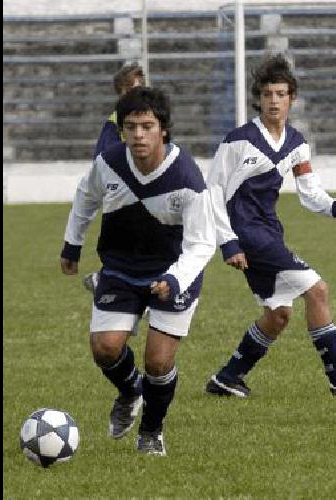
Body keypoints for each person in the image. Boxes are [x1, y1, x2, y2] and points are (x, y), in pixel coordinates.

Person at [202, 54, 336, 398]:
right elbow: (212, 193)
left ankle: (227, 378)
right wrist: (228, 243)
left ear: (292, 98)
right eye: (268, 94)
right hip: (247, 235)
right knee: (318, 290)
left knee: (279, 314)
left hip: (269, 231)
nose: (274, 101)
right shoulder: (238, 141)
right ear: (259, 98)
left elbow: (310, 192)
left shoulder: (296, 144)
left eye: (281, 94)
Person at [60, 86, 215, 456]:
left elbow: (201, 244)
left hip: (173, 273)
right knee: (104, 348)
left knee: (158, 360)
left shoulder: (188, 179)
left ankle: (151, 431)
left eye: (147, 126)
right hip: (121, 267)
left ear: (163, 129)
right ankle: (131, 391)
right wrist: (72, 244)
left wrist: (175, 279)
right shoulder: (109, 162)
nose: (138, 135)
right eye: (131, 127)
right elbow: (86, 195)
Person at [82, 62, 147, 294]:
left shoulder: (149, 117)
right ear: (120, 93)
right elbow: (102, 160)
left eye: (139, 88)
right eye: (130, 89)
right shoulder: (115, 122)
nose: (136, 94)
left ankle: (107, 281)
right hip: (125, 192)